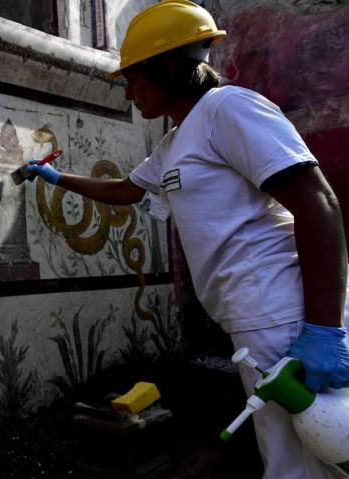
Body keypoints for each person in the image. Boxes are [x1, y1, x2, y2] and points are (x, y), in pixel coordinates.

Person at [26, 1, 349, 477]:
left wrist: (323, 330)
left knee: (302, 461)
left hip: (283, 311)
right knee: (297, 452)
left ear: (169, 66)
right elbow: (125, 190)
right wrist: (55, 178)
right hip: (252, 316)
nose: (130, 93)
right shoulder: (174, 142)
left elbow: (317, 203)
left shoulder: (228, 108)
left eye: (134, 79)